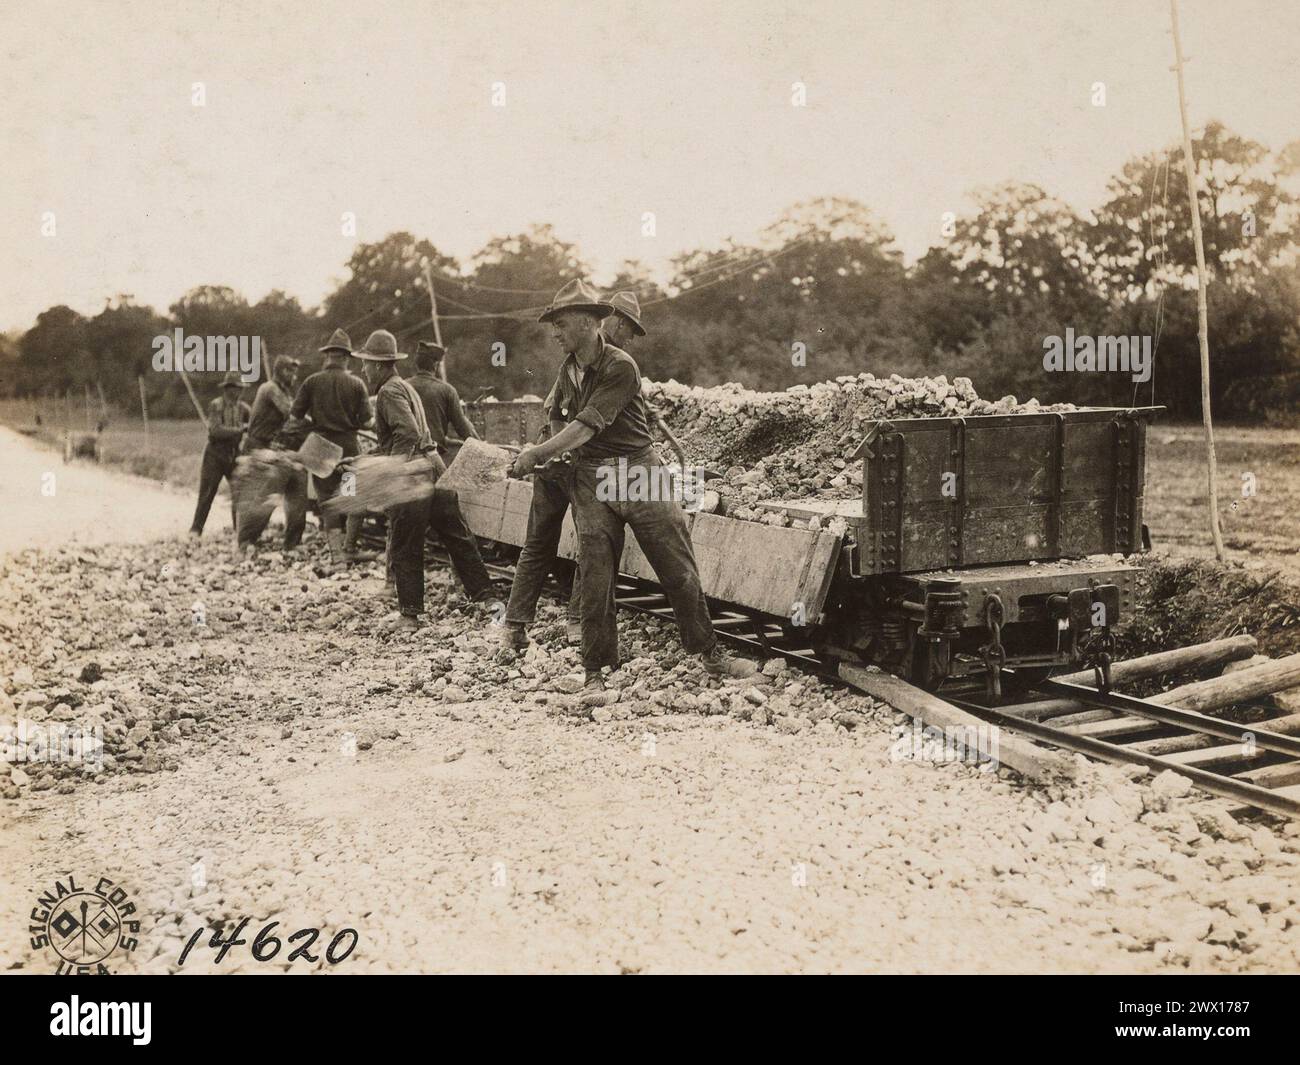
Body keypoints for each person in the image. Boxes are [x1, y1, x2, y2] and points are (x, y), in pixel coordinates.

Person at [510, 280, 755, 682]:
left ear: (590, 323)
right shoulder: (567, 368)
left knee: (676, 569)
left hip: (636, 472)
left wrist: (539, 453)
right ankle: (596, 670)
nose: (554, 332)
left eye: (562, 323)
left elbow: (588, 423)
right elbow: (561, 415)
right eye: (553, 324)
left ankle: (711, 654)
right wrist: (559, 451)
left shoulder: (621, 366)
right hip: (591, 475)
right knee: (595, 575)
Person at [498, 291, 647, 653]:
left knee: (548, 543)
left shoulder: (588, 359)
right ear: (614, 322)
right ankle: (576, 623)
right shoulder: (595, 359)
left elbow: (559, 410)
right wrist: (554, 453)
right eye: (629, 329)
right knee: (593, 543)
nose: (629, 338)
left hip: (558, 457)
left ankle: (518, 629)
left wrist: (549, 451)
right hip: (572, 462)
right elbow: (569, 415)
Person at [352, 329, 497, 632]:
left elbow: (407, 432)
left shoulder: (389, 392)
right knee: (458, 537)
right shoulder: (405, 387)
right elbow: (412, 435)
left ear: (379, 364)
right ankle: (488, 600)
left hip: (413, 472)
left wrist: (395, 469)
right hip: (434, 465)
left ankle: (409, 615)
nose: (363, 369)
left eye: (366, 363)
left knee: (405, 541)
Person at [289, 328, 373, 563]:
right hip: (348, 449)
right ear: (346, 357)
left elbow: (294, 419)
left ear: (327, 356)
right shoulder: (356, 384)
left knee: (327, 501)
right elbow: (367, 421)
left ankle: (337, 557)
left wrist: (315, 426)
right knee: (350, 497)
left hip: (321, 450)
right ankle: (349, 549)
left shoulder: (311, 382)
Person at [233, 356, 309, 552]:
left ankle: (292, 542)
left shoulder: (283, 391)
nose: (294, 377)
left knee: (298, 479)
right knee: (265, 494)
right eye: (291, 372)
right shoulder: (270, 389)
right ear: (282, 371)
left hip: (272, 448)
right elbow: (292, 413)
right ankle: (245, 541)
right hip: (257, 446)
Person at [189, 372, 252, 537]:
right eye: (237, 388)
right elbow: (215, 430)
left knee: (240, 492)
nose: (240, 392)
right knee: (207, 493)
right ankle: (196, 530)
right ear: (228, 389)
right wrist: (240, 430)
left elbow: (253, 425)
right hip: (215, 454)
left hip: (234, 454)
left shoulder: (244, 408)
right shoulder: (216, 405)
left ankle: (239, 530)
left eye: (241, 388)